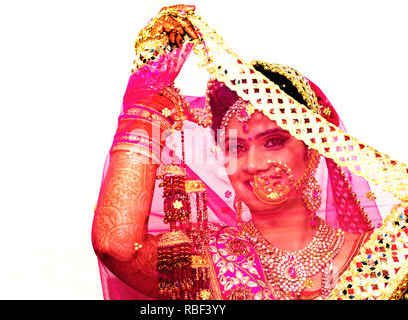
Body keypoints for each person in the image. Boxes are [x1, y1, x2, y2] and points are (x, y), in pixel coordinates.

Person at [91, 5, 408, 300]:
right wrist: (145, 104)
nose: (254, 164)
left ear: (313, 148)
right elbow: (118, 248)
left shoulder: (386, 256)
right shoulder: (211, 262)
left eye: (274, 141)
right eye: (235, 148)